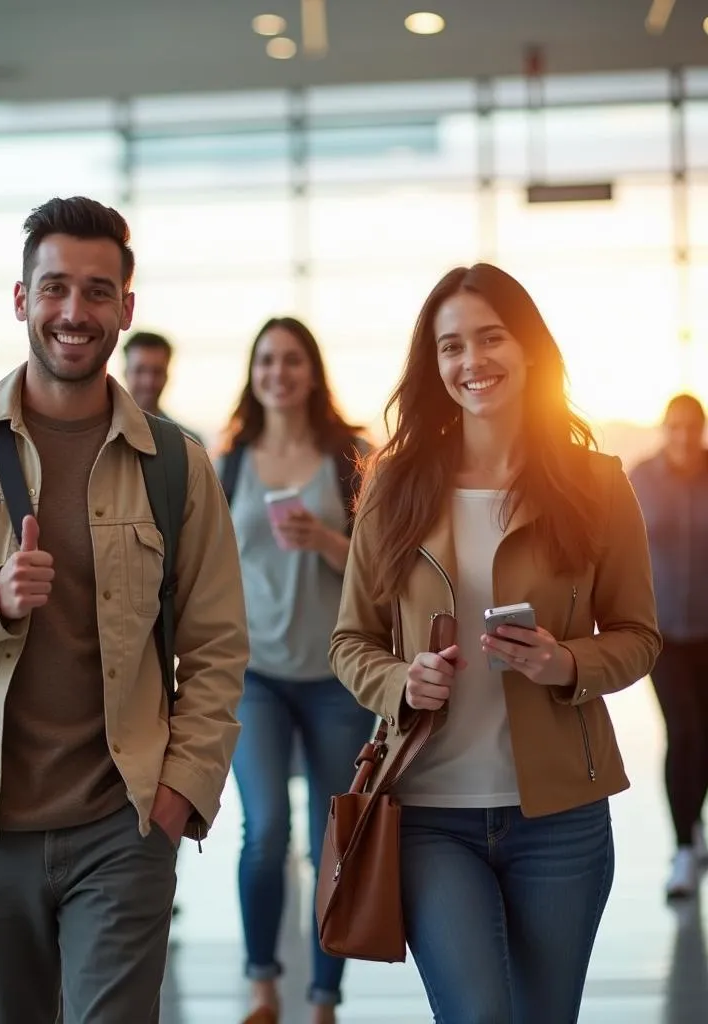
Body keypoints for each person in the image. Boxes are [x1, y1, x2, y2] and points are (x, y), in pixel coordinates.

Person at [0, 196, 248, 1024]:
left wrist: (180, 792)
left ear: (126, 309)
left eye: (98, 292)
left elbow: (215, 644)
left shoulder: (175, 464)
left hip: (123, 821)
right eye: (55, 288)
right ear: (22, 299)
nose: (75, 312)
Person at [330, 263, 661, 1023]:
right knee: (479, 1014)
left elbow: (640, 636)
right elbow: (351, 641)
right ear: (433, 363)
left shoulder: (598, 484)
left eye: (489, 338)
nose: (471, 361)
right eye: (451, 346)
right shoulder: (393, 486)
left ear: (530, 350)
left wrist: (567, 661)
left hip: (560, 820)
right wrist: (400, 682)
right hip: (426, 811)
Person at [218, 317, 375, 1024]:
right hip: (257, 677)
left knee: (333, 840)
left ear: (312, 372)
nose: (278, 372)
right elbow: (209, 570)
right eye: (266, 361)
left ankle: (324, 997)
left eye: (291, 360)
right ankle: (261, 981)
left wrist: (328, 541)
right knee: (266, 827)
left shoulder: (351, 458)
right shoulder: (230, 462)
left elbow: (385, 575)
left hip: (339, 677)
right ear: (254, 374)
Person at [631, 393, 708, 899]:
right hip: (662, 635)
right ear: (665, 428)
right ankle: (683, 848)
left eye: (691, 428)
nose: (682, 436)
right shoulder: (642, 478)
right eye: (673, 427)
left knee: (704, 737)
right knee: (685, 733)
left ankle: (692, 824)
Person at [123, 330, 202, 442]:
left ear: (167, 376)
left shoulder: (188, 443)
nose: (148, 382)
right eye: (140, 370)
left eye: (157, 371)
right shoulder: (99, 433)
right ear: (125, 373)